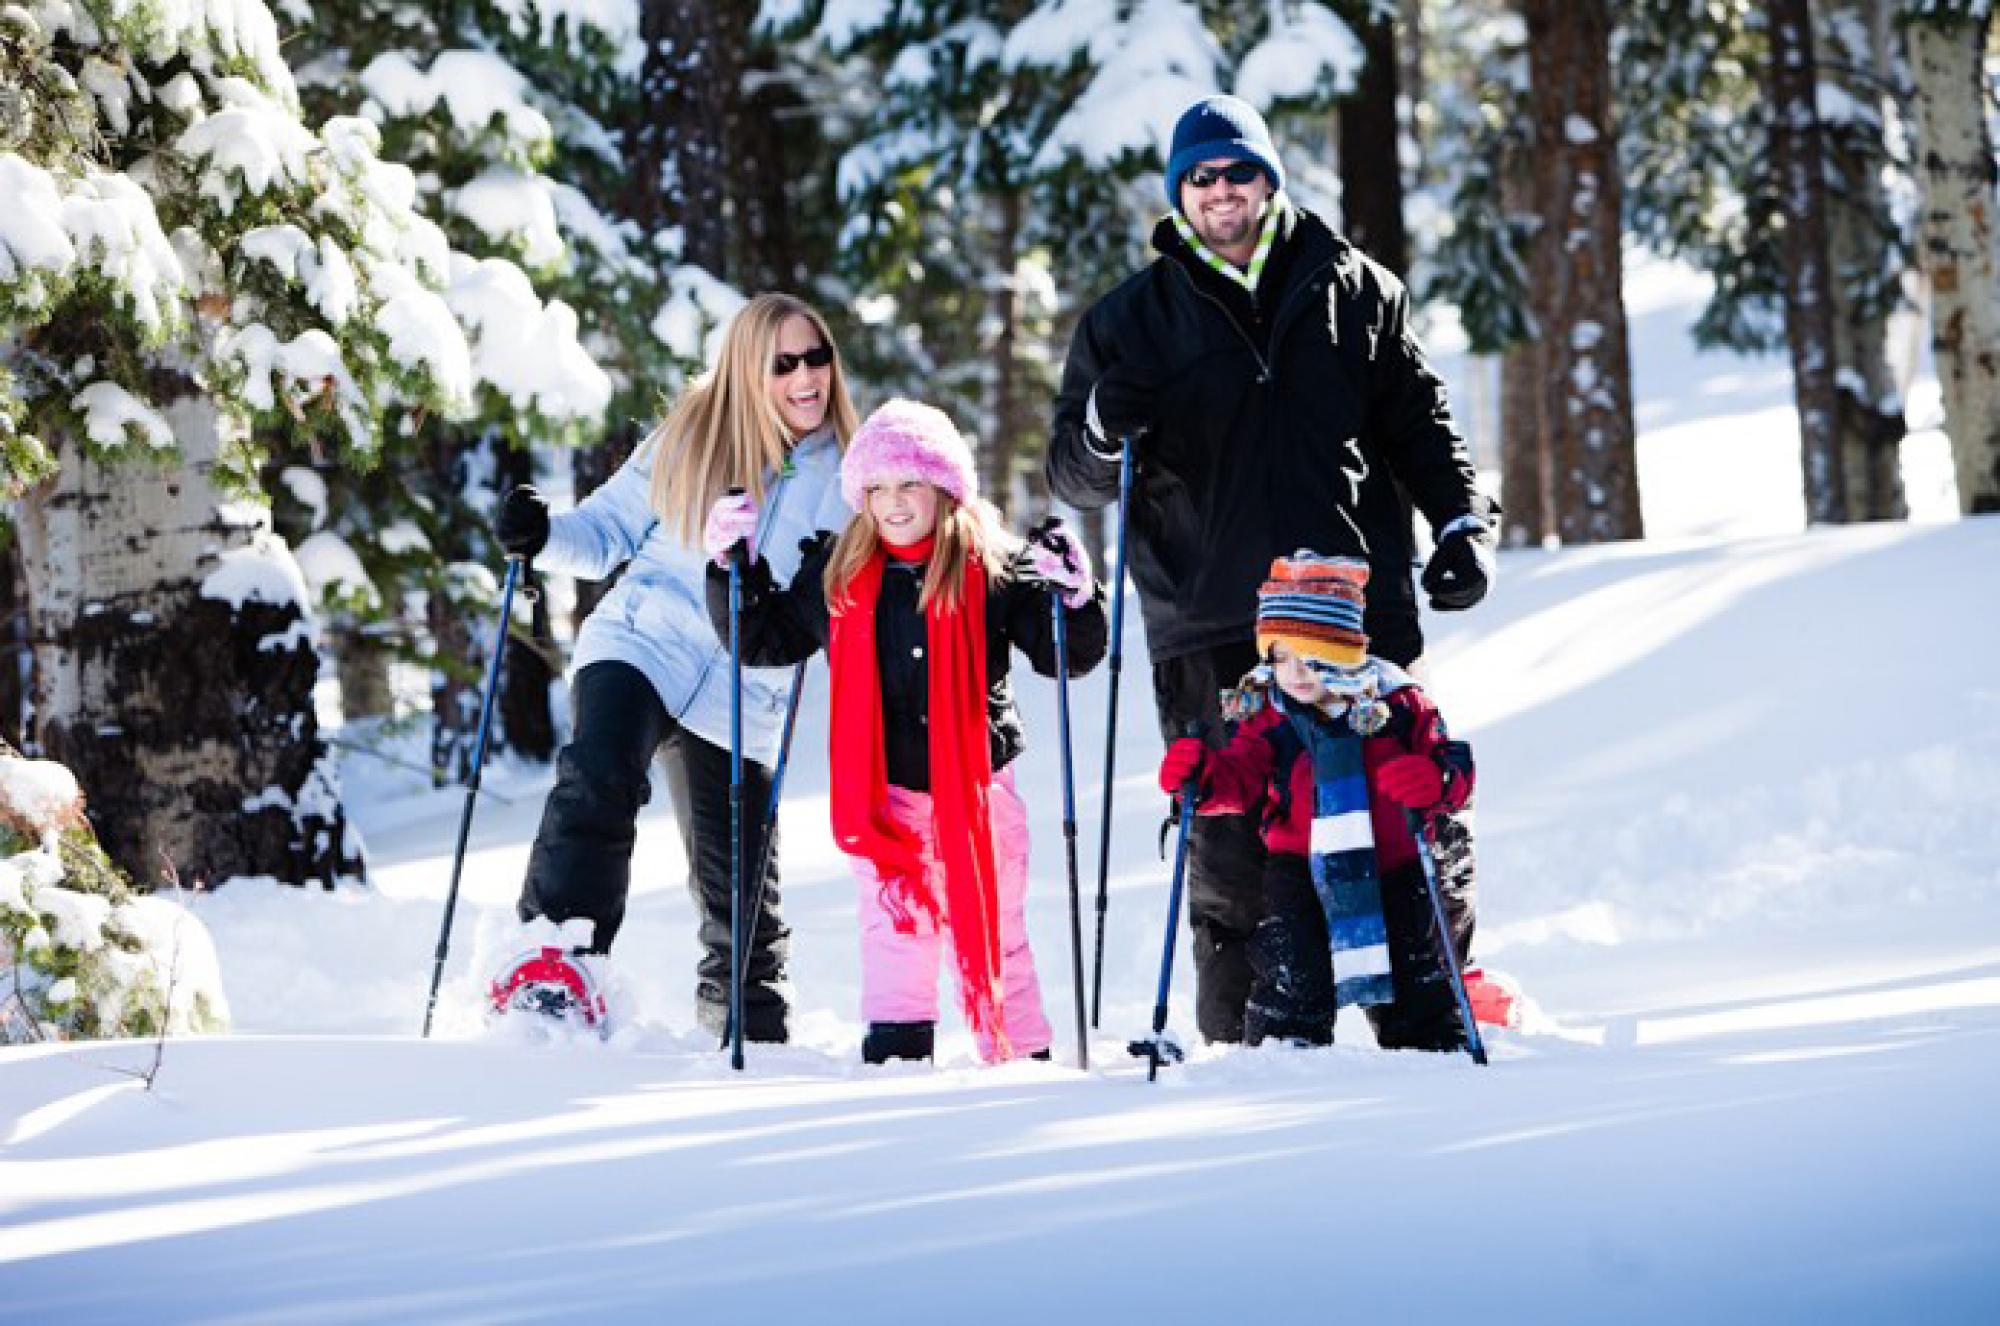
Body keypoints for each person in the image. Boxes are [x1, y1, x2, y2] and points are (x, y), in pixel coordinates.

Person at [1046, 93, 1498, 1043]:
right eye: (1201, 178)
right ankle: (1248, 1048)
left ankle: (1432, 1025)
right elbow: (1072, 474)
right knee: (1236, 835)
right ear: (1179, 193)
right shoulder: (1127, 321)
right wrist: (1100, 429)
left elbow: (1421, 421)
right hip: (1210, 620)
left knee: (1398, 817)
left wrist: (1460, 522)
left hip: (1354, 616)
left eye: (1238, 172)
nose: (1222, 192)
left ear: (1269, 178)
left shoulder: (1356, 286)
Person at [490, 293, 859, 1041]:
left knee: (742, 890)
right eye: (782, 363)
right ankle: (554, 961)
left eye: (815, 357)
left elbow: (836, 608)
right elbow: (604, 532)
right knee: (600, 772)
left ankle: (746, 1021)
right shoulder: (691, 433)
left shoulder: (851, 477)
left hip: (744, 684)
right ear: (748, 373)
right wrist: (539, 535)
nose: (805, 377)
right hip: (644, 637)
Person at [705, 399, 1107, 1064]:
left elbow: (1067, 656)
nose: (893, 504)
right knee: (896, 930)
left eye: (909, 485)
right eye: (878, 488)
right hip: (883, 793)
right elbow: (765, 638)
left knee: (998, 926)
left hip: (980, 792)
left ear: (944, 487)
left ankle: (1020, 1057)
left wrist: (1075, 598)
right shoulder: (836, 570)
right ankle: (898, 1052)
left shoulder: (993, 567)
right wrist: (730, 569)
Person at [1155, 553, 1474, 1050]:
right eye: (1280, 656)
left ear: (1346, 650)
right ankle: (1285, 1046)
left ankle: (1431, 1046)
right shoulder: (1270, 714)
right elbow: (1239, 779)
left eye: (1312, 657)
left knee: (1412, 969)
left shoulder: (1396, 704)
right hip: (1298, 868)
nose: (1295, 673)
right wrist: (1200, 780)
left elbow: (1453, 766)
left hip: (1393, 866)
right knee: (1292, 966)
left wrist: (1435, 779)